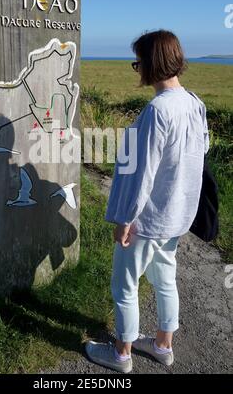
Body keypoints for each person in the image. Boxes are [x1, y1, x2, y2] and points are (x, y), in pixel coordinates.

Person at [85, 29, 209, 373]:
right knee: (164, 279)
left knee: (124, 285)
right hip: (178, 214)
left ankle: (122, 354)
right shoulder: (194, 102)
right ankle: (162, 346)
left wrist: (125, 218)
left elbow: (141, 174)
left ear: (152, 64)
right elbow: (201, 153)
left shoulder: (157, 111)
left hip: (148, 219)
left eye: (138, 62)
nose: (137, 69)